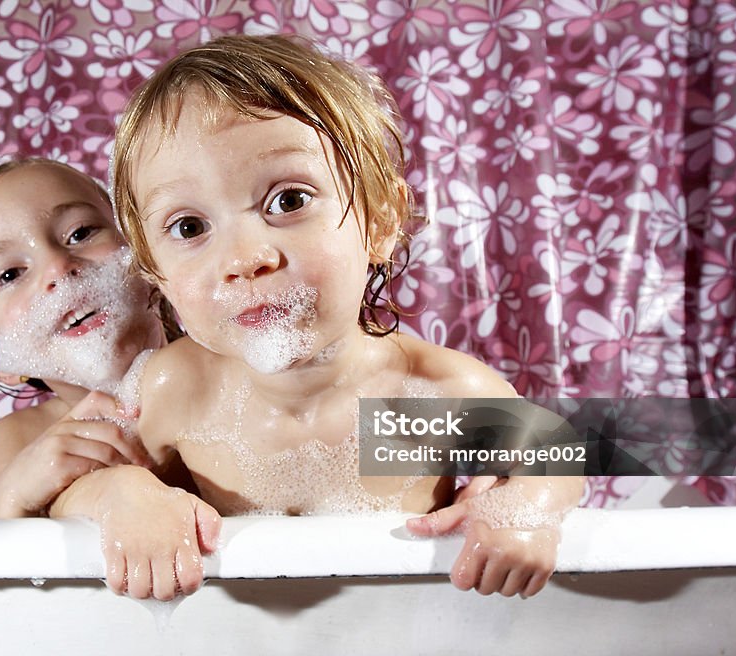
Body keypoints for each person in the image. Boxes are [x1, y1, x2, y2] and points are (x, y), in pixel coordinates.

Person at [109, 34, 585, 598]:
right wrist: (125, 493)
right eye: (189, 227)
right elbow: (73, 479)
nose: (243, 258)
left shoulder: (430, 395)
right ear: (156, 274)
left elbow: (556, 450)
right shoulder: (175, 388)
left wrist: (528, 504)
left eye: (288, 200)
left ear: (380, 220)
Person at [0, 160, 221, 590]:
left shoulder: (228, 371)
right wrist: (16, 497)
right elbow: (0, 593)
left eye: (80, 233)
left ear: (149, 251)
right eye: (10, 274)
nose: (58, 267)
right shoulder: (22, 440)